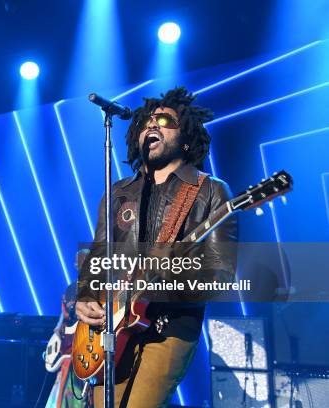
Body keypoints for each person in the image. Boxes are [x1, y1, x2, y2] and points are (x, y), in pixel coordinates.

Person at [76, 87, 238, 407]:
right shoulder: (119, 191)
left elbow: (220, 275)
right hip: (109, 325)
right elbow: (98, 256)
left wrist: (158, 285)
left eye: (165, 119)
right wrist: (85, 298)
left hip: (169, 327)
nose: (152, 125)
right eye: (145, 122)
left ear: (187, 138)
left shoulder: (210, 191)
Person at [46, 249, 93, 408]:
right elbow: (63, 314)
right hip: (67, 345)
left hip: (85, 344)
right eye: (79, 261)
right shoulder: (71, 289)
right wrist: (57, 331)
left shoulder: (97, 287)